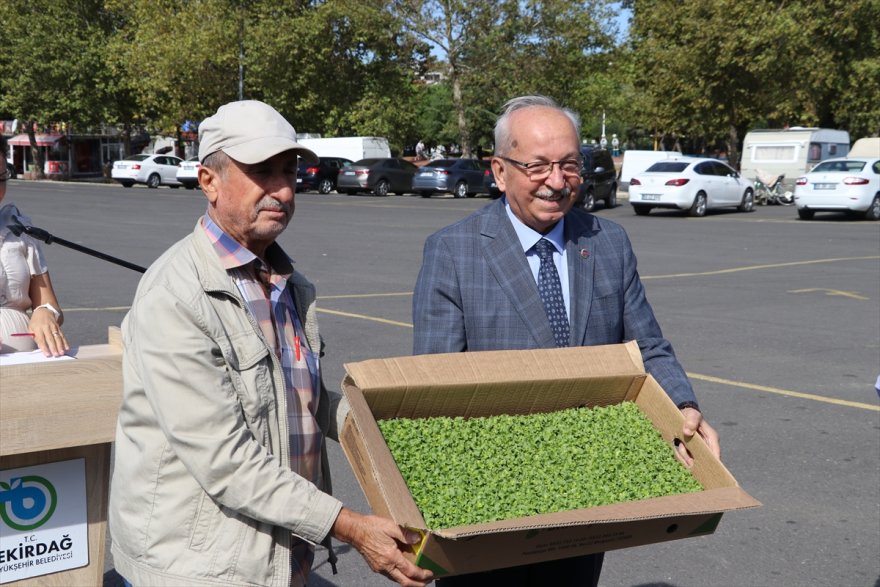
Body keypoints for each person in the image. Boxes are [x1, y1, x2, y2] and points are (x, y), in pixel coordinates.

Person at [109, 100, 432, 587]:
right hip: (200, 566)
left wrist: (391, 429)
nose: (283, 189)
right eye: (262, 172)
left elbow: (303, 400)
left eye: (289, 170)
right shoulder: (175, 296)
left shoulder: (288, 282)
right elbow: (226, 461)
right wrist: (351, 527)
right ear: (208, 181)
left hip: (279, 553)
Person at [412, 95, 720, 587]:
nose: (557, 182)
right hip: (491, 502)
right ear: (499, 170)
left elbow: (649, 346)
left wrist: (683, 403)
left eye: (569, 165)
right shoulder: (453, 250)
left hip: (587, 492)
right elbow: (432, 385)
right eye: (537, 166)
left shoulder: (608, 241)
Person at [0, 135, 68, 356]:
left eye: (1, 177)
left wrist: (45, 313)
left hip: (25, 369)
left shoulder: (19, 230)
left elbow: (50, 304)